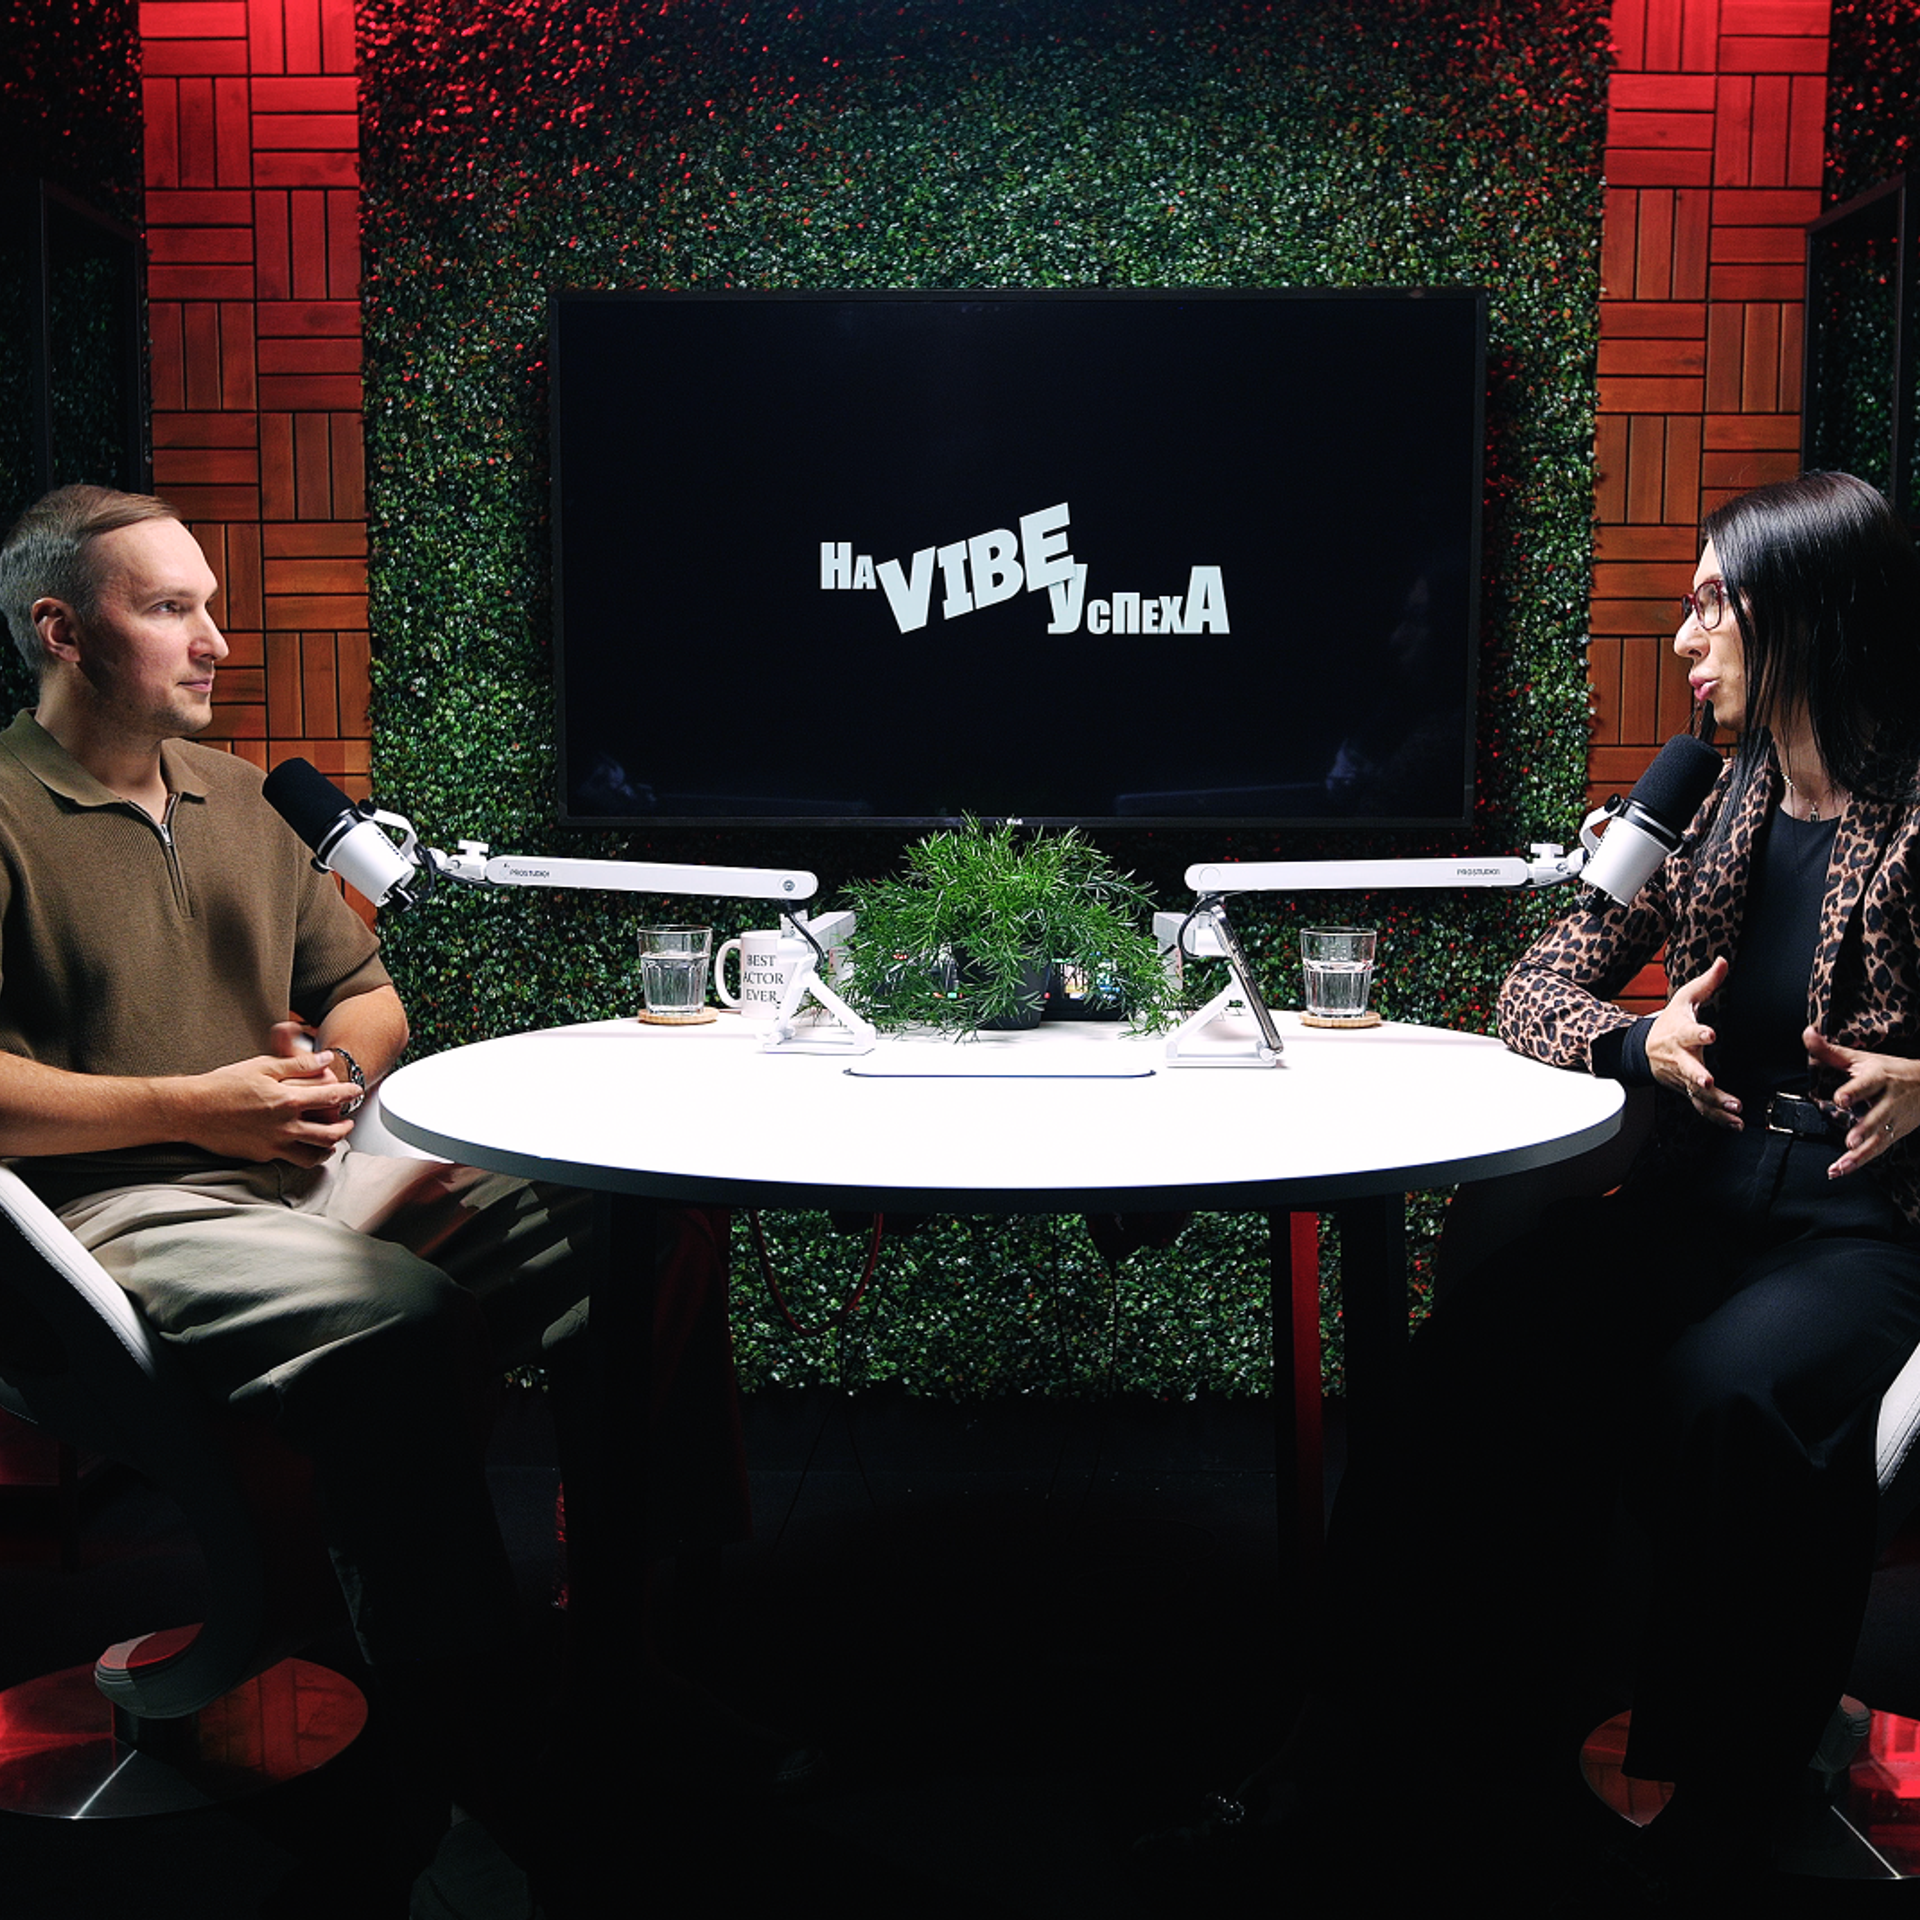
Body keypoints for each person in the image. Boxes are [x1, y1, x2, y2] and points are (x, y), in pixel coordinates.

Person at [1155, 471, 1920, 1905]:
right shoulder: (1700, 791)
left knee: (1726, 1394)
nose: (1685, 639)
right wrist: (1643, 1042)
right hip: (1707, 1191)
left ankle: (1713, 1796)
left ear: (1809, 616)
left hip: (1867, 1219)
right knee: (1477, 1355)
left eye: (1714, 605)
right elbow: (1540, 981)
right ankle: (1378, 1740)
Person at [0, 485, 753, 1895]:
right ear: (62, 631)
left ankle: (631, 1642)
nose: (217, 639)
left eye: (213, 604)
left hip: (302, 1175)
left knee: (638, 1217)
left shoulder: (240, 800)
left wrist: (329, 1076)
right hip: (113, 1220)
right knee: (396, 1323)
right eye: (171, 609)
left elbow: (366, 1000)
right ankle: (481, 1782)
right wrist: (198, 1108)